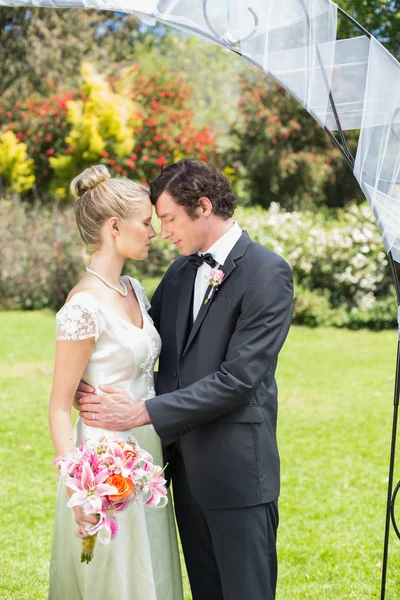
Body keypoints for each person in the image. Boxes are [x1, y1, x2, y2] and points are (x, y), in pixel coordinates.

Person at [77, 158, 294, 600]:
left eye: (170, 218)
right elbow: (141, 344)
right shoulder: (179, 272)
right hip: (182, 474)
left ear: (204, 206)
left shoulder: (268, 272)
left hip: (236, 475)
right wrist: (93, 373)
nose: (163, 231)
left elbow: (238, 379)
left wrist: (142, 411)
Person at [48, 164, 183, 600]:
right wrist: (78, 489)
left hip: (149, 448)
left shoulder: (135, 289)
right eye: (146, 223)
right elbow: (57, 405)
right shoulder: (83, 305)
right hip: (105, 462)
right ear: (113, 227)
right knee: (115, 575)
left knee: (152, 568)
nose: (153, 232)